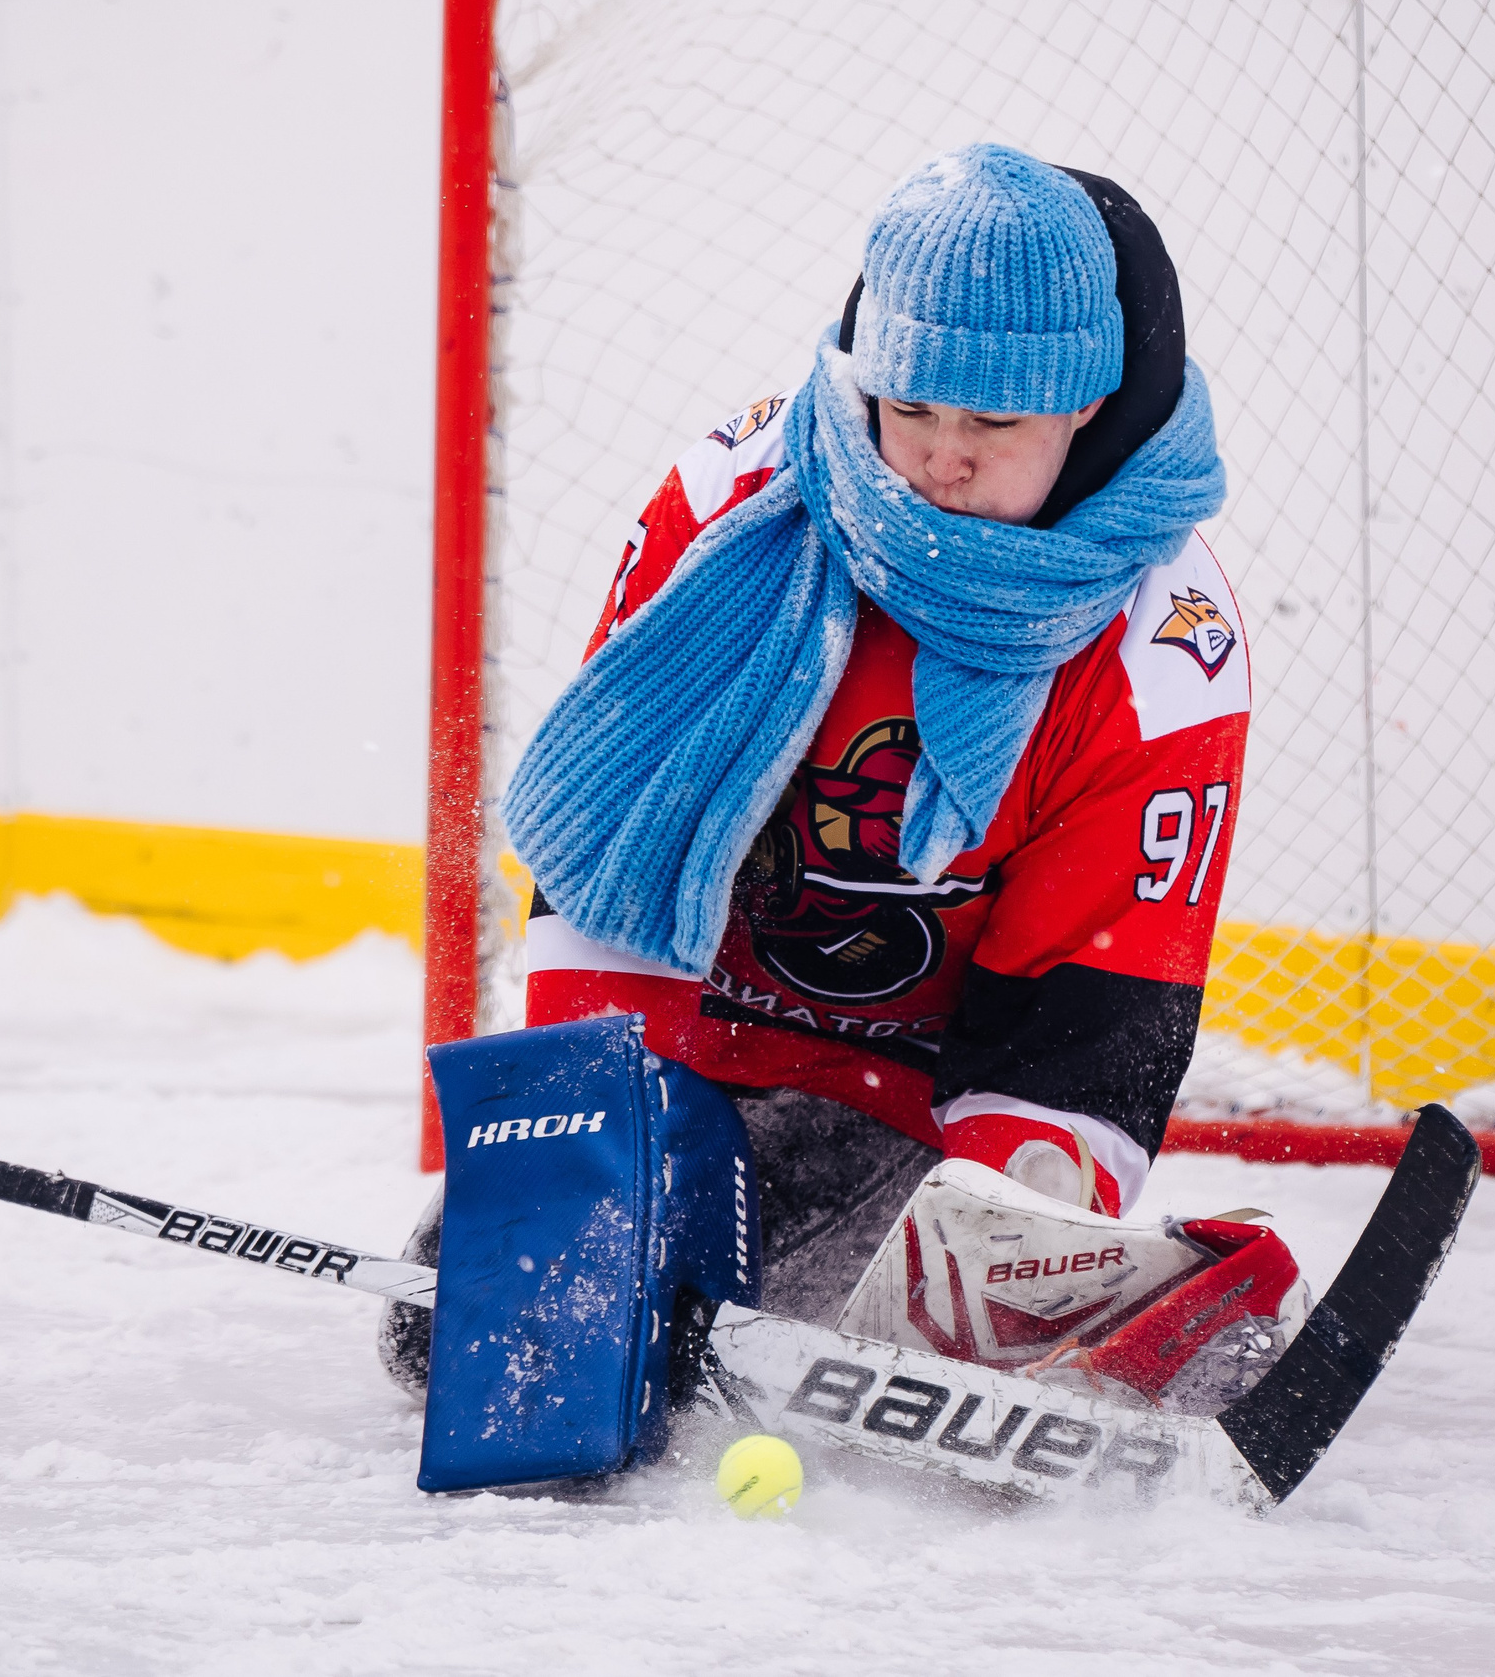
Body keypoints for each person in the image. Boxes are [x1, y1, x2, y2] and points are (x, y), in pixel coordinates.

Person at [383, 143, 1254, 1388]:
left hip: (898, 1109)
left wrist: (1008, 1229)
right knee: (444, 1340)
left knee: (903, 1329)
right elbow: (614, 831)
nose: (942, 456)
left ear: (1084, 406)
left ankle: (1119, 1314)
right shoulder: (736, 501)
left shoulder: (1168, 640)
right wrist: (608, 1139)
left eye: (994, 421)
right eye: (911, 409)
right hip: (684, 1054)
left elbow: (1091, 993)